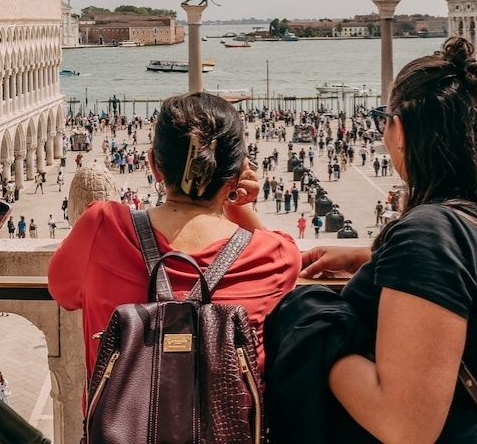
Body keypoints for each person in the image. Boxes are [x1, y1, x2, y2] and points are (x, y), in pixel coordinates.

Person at [298, 38, 477, 441]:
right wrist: (376, 258)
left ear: (398, 129)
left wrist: (310, 329)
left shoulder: (429, 234)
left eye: (383, 118)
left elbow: (406, 428)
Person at [49, 91, 301, 377]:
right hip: (230, 423)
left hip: (121, 422)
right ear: (240, 171)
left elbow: (63, 294)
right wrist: (238, 204)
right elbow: (272, 257)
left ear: (154, 165)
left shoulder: (101, 225)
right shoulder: (275, 255)